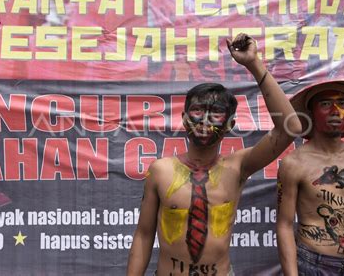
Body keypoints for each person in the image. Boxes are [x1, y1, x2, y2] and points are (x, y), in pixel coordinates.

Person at [126, 33, 302, 275]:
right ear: (184, 118)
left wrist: (254, 64)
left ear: (230, 124)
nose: (205, 119)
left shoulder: (238, 166)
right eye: (197, 110)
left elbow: (291, 128)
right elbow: (144, 235)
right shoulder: (161, 170)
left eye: (216, 112)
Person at [276, 79, 344, 275]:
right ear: (311, 113)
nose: (336, 110)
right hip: (311, 266)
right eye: (325, 104)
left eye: (343, 104)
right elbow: (284, 225)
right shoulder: (294, 163)